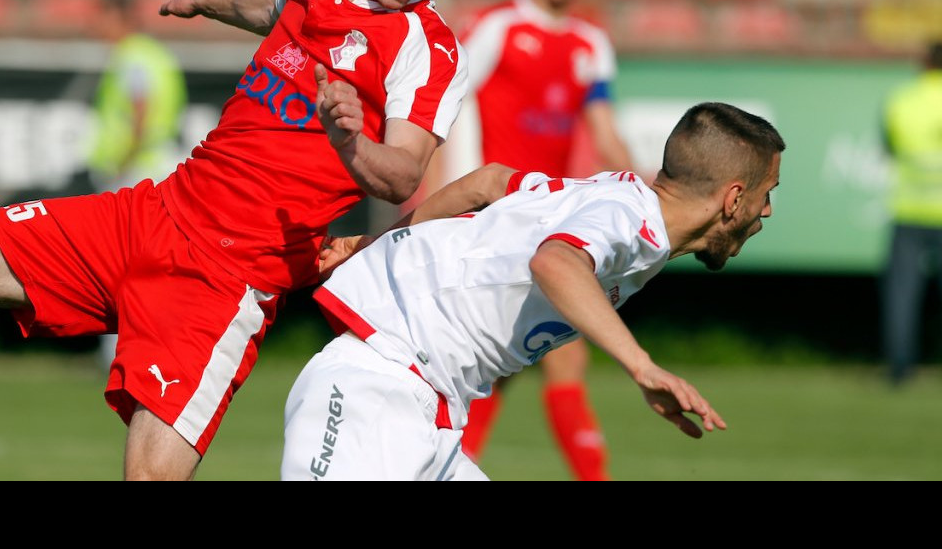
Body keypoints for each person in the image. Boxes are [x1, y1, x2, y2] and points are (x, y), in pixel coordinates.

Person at [0, 0, 471, 480]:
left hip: (223, 283)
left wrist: (348, 140)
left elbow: (405, 175)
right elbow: (270, 6)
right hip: (152, 214)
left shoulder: (426, 49)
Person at [281, 101, 784, 480]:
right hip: (375, 388)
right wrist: (642, 365)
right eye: (766, 196)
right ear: (733, 198)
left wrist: (380, 242)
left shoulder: (617, 196)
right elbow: (555, 261)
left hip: (430, 409)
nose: (767, 212)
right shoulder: (633, 222)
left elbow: (490, 182)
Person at [445, 0, 635, 480]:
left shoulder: (590, 42)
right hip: (493, 217)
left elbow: (604, 131)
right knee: (524, 360)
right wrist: (445, 201)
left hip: (546, 221)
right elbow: (446, 105)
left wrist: (644, 190)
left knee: (525, 363)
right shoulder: (500, 27)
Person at [87, 0, 189, 369]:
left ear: (119, 18)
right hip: (158, 163)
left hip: (137, 168)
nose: (96, 27)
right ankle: (157, 349)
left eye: (102, 17)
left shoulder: (131, 56)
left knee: (120, 264)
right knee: (154, 264)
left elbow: (140, 110)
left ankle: (118, 353)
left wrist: (122, 161)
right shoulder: (157, 55)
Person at [880, 40, 942, 385]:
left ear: (923, 61)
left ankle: (900, 369)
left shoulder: (903, 99)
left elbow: (889, 146)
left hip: (910, 208)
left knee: (902, 294)